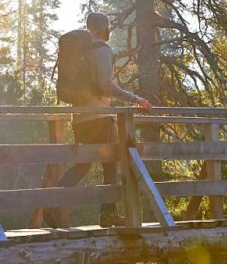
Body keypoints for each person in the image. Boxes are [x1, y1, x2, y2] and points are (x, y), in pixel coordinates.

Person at [48, 12, 152, 227]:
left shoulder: (81, 50)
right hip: (99, 115)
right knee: (111, 161)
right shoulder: (102, 51)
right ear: (105, 28)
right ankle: (108, 213)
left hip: (80, 117)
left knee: (82, 165)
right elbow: (106, 85)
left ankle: (51, 204)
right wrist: (135, 98)